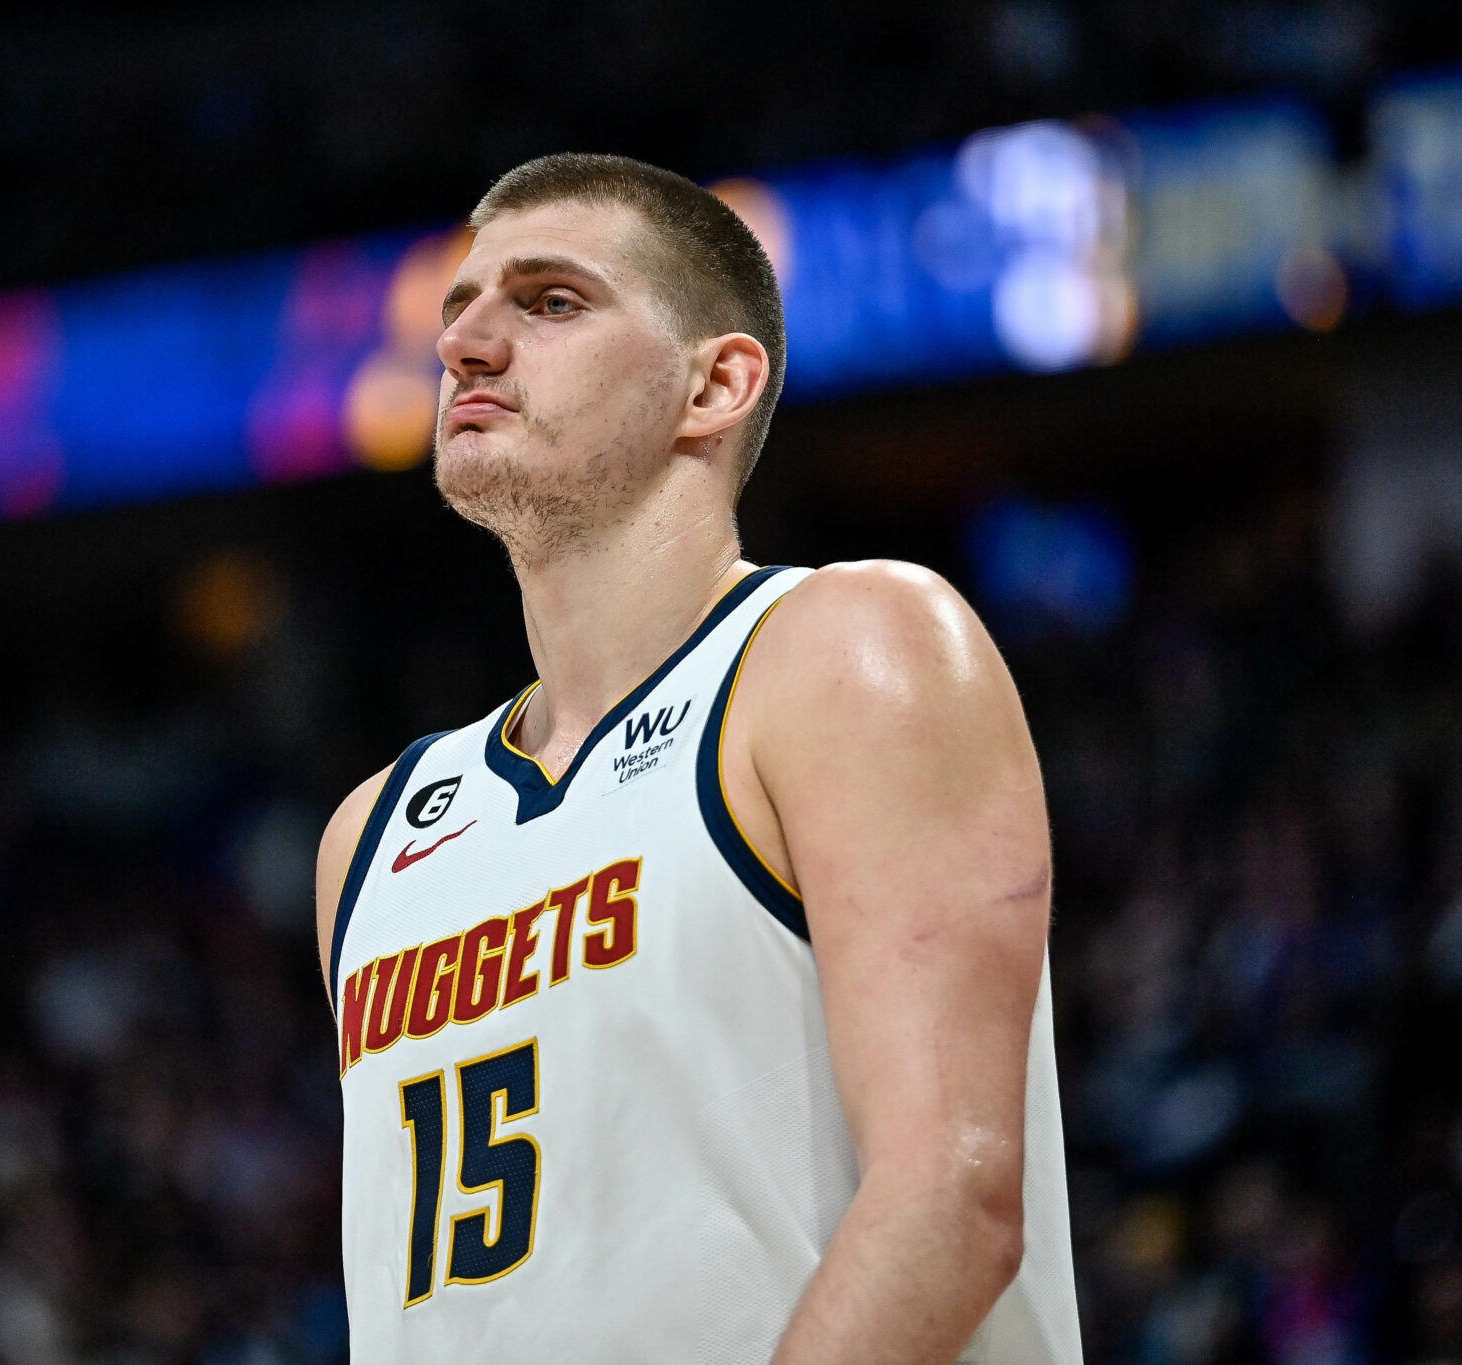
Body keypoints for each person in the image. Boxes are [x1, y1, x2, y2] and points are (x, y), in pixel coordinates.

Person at [315, 153, 1080, 1364]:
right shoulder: (374, 832)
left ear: (713, 384)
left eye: (549, 303)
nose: (466, 343)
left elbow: (952, 1196)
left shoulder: (842, 649)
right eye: (457, 309)